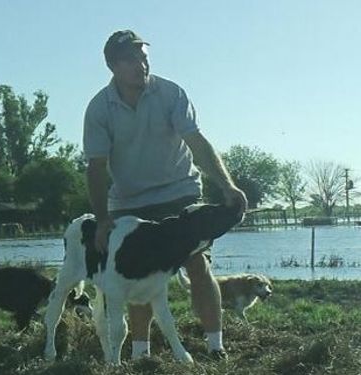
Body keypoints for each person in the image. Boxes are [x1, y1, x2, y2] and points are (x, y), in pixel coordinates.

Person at [83, 29, 248, 360]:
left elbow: (197, 143)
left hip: (179, 193)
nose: (140, 64)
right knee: (137, 272)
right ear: (113, 66)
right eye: (131, 59)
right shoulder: (99, 109)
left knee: (197, 263)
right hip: (130, 201)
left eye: (143, 56)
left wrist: (226, 185)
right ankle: (141, 353)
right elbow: (96, 168)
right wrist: (102, 219)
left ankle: (215, 346)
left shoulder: (170, 93)